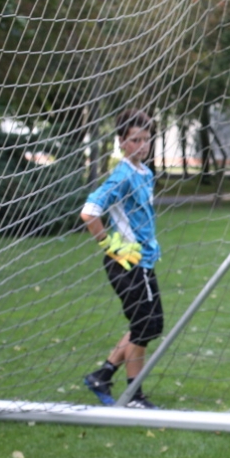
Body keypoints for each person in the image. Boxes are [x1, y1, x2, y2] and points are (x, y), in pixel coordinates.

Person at [81, 109, 162, 409]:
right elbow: (89, 212)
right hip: (127, 263)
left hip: (143, 261)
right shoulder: (123, 175)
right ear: (122, 142)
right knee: (147, 326)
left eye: (146, 139)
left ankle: (102, 375)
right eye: (135, 140)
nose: (142, 145)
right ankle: (134, 396)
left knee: (149, 324)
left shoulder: (145, 172)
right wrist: (112, 246)